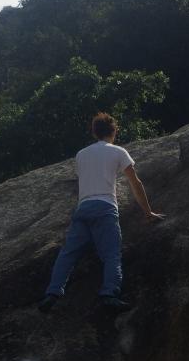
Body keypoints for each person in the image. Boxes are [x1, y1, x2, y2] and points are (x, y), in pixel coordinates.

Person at [38, 112, 163, 313]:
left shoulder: (81, 154)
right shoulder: (118, 152)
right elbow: (135, 183)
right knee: (111, 254)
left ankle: (52, 293)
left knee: (68, 254)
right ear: (114, 131)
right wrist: (148, 211)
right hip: (105, 208)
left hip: (83, 208)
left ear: (95, 133)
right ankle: (109, 294)